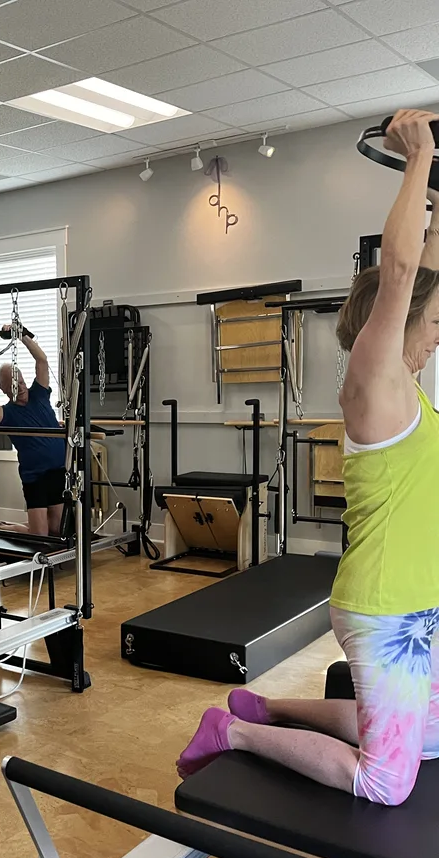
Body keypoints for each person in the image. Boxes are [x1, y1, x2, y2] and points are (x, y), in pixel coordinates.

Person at [176, 109, 439, 807]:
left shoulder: (411, 390)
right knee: (387, 781)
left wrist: (438, 189)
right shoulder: (375, 384)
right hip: (385, 609)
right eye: (435, 322)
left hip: (419, 607)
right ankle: (232, 735)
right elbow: (406, 269)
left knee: (432, 733)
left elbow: (427, 266)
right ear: (401, 323)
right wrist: (417, 159)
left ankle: (273, 709)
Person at [0, 324, 66, 536]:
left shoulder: (39, 394)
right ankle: (4, 529)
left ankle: (22, 527)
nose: (22, 387)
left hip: (57, 471)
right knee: (40, 536)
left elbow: (41, 360)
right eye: (14, 386)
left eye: (22, 382)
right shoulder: (6, 414)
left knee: (57, 529)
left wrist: (21, 334)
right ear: (4, 389)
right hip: (34, 477)